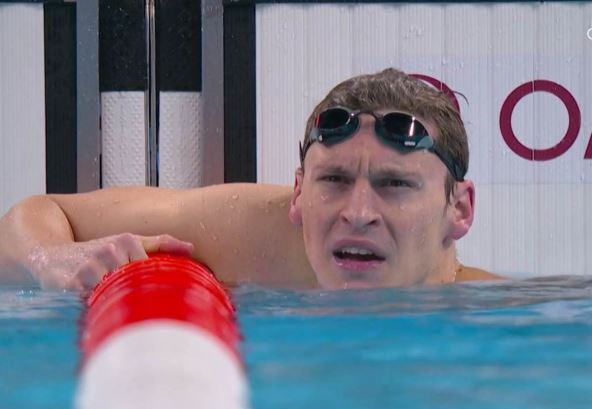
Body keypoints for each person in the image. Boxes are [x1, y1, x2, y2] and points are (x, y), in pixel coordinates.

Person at [0, 68, 499, 291]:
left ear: (459, 209)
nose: (358, 212)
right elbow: (35, 216)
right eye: (334, 180)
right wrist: (46, 258)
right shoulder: (258, 235)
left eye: (395, 185)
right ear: (299, 193)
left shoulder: (492, 318)